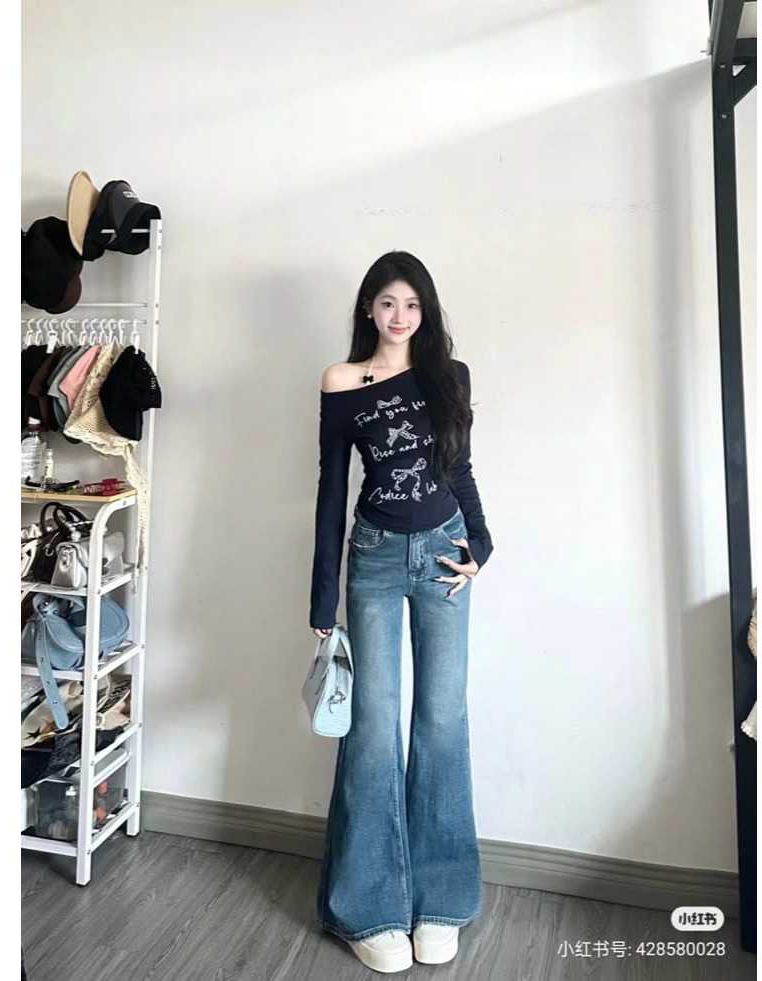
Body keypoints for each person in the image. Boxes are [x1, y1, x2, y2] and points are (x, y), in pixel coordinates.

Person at [310, 250, 494, 973]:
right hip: (376, 559)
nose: (400, 315)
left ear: (426, 310)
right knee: (372, 725)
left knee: (442, 718)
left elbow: (458, 466)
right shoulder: (341, 381)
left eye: (412, 304)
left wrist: (481, 544)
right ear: (368, 307)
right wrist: (322, 597)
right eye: (388, 302)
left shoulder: (449, 376)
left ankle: (441, 900)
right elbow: (331, 489)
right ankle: (370, 908)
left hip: (445, 555)